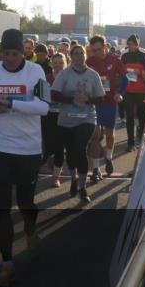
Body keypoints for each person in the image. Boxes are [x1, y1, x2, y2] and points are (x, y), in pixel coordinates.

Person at [0, 29, 50, 287]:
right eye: (5, 53)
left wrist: (12, 104)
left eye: (14, 54)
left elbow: (43, 107)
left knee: (26, 202)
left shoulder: (36, 72)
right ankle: (7, 263)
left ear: (23, 52)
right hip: (1, 146)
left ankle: (30, 230)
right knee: (2, 207)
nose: (9, 58)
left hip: (28, 148)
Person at [51, 44, 105, 203]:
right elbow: (54, 94)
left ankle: (82, 187)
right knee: (71, 151)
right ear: (70, 56)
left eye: (82, 53)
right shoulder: (64, 74)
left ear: (85, 56)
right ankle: (74, 178)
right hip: (66, 119)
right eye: (76, 54)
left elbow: (101, 98)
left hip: (87, 118)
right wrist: (71, 100)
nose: (80, 56)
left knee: (80, 148)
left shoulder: (93, 75)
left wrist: (87, 99)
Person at [86, 35, 128, 180]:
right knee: (95, 137)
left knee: (109, 135)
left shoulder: (114, 61)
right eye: (93, 50)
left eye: (98, 49)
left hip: (110, 102)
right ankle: (96, 169)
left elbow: (126, 79)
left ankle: (109, 157)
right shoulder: (89, 62)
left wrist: (120, 93)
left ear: (105, 46)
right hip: (95, 103)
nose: (95, 53)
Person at [121, 34, 145, 151]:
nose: (131, 46)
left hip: (141, 91)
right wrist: (125, 73)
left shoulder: (144, 55)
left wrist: (139, 72)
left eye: (134, 44)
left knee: (141, 116)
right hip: (128, 91)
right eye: (129, 44)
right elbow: (120, 71)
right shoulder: (124, 55)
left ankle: (141, 138)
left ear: (137, 44)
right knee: (129, 116)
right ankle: (130, 143)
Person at [42, 52, 68, 187]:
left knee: (60, 147)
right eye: (55, 63)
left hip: (64, 115)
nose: (58, 66)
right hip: (48, 115)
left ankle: (56, 177)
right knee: (48, 145)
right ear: (51, 64)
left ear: (65, 63)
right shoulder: (46, 79)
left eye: (61, 63)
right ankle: (50, 156)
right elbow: (43, 98)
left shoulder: (69, 78)